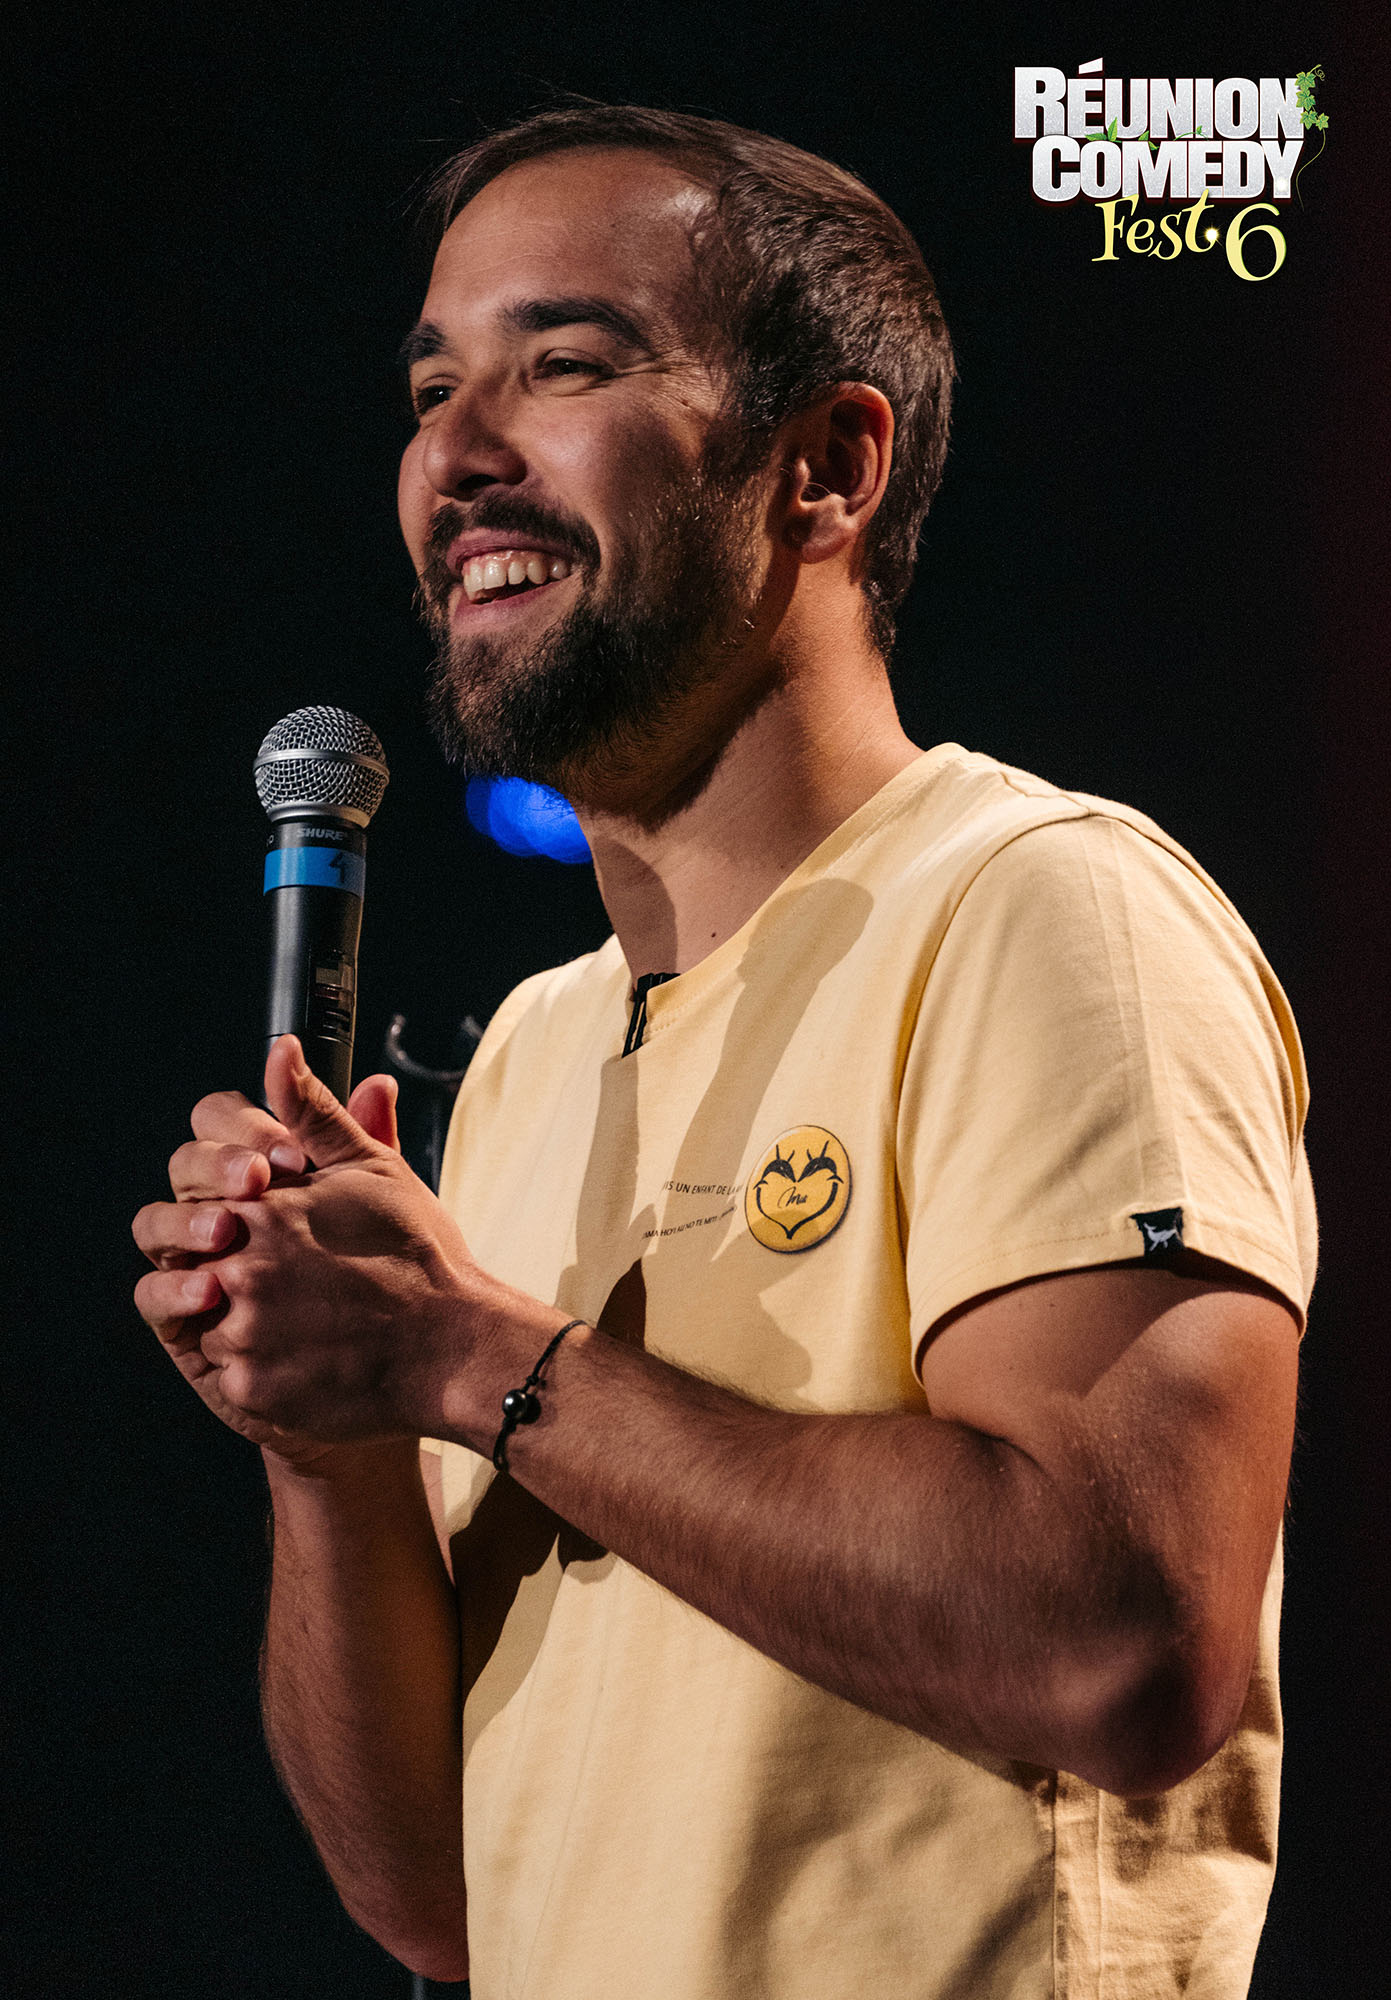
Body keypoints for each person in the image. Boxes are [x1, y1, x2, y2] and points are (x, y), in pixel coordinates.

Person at [132, 107, 1314, 2000]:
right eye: (431, 390)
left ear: (825, 467)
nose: (457, 452)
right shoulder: (533, 1050)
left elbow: (1120, 1646)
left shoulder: (1040, 906)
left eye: (565, 365)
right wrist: (332, 1441)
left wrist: (475, 1356)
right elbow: (437, 1898)